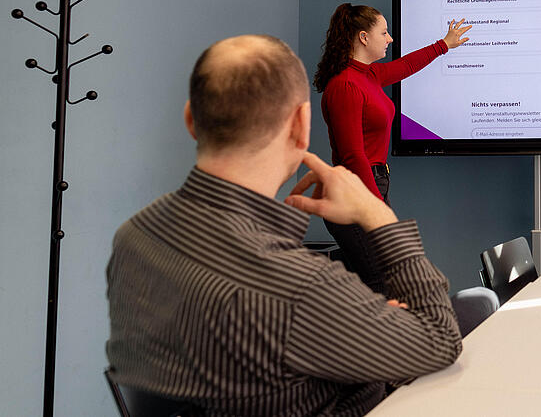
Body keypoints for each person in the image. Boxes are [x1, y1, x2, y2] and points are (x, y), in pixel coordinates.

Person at [106, 35, 462, 416]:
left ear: (191, 119)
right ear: (300, 125)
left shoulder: (134, 236)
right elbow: (441, 340)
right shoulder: (301, 285)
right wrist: (380, 219)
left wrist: (355, 324)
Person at [313, 3, 470, 287]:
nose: (390, 39)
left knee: (384, 282)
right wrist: (378, 209)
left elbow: (406, 66)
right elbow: (353, 156)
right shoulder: (345, 86)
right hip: (354, 194)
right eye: (384, 32)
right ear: (363, 37)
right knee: (384, 283)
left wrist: (444, 44)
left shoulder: (368, 75)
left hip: (370, 186)